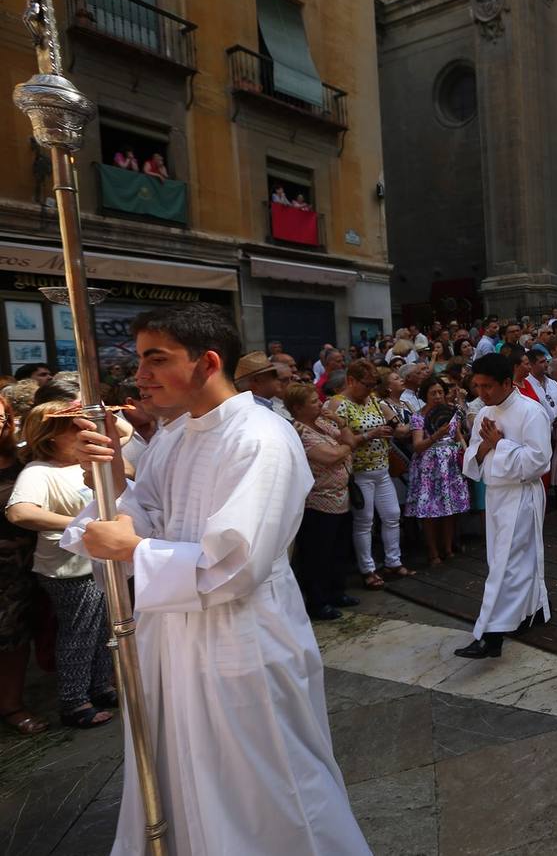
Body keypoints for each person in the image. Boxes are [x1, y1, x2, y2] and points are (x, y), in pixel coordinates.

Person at [61, 302, 369, 855]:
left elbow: (238, 562)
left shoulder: (262, 438)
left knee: (267, 788)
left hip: (240, 636)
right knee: (180, 769)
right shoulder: (176, 436)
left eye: (156, 360)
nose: (141, 377)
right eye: (139, 360)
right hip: (171, 636)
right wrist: (107, 478)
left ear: (206, 362)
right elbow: (148, 511)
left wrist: (134, 548)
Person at [6, 401, 112, 729]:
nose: (85, 428)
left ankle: (100, 686)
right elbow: (19, 512)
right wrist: (77, 524)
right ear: (51, 436)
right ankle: (74, 702)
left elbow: (124, 441)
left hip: (94, 562)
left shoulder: (84, 462)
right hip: (67, 569)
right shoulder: (39, 471)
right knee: (79, 632)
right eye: (74, 425)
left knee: (100, 630)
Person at [458, 353, 552, 658]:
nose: (482, 393)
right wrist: (489, 444)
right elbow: (474, 456)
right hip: (497, 496)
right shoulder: (485, 413)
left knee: (508, 565)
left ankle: (491, 634)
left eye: (488, 386)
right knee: (508, 561)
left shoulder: (531, 412)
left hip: (522, 496)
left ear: (507, 382)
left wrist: (500, 444)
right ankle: (534, 610)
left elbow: (538, 461)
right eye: (477, 386)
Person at [327, 359, 412, 590]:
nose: (370, 389)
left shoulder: (373, 400)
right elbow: (335, 439)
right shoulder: (337, 405)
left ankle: (393, 561)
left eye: (373, 384)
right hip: (359, 472)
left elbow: (399, 429)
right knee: (365, 521)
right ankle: (368, 569)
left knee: (392, 514)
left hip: (382, 468)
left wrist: (394, 427)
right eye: (366, 384)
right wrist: (370, 435)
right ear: (351, 381)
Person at [285, 381, 358, 621]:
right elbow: (330, 456)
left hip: (342, 498)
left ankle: (337, 592)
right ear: (297, 407)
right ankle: (318, 601)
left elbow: (351, 441)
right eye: (314, 402)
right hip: (318, 502)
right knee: (318, 555)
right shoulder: (300, 432)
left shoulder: (323, 424)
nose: (320, 404)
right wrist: (345, 447)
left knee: (339, 550)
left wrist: (341, 423)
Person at [0, 393, 41, 735]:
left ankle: (12, 705)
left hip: (17, 567)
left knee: (15, 637)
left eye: (1, 418)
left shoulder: (21, 456)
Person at [406, 376, 470, 567]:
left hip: (450, 464)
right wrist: (436, 435)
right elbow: (417, 446)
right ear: (424, 395)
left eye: (440, 392)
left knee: (450, 509)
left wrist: (467, 455)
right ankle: (433, 552)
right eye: (432, 393)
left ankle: (448, 548)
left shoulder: (451, 413)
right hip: (429, 467)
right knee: (429, 511)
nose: (437, 396)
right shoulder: (418, 417)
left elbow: (459, 436)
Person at [234, 349, 293, 415]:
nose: (278, 379)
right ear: (256, 381)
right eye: (274, 375)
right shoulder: (253, 410)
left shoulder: (259, 405)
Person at [524, 349, 557, 420]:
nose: (546, 365)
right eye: (542, 362)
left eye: (546, 361)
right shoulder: (526, 385)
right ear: (531, 365)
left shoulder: (553, 383)